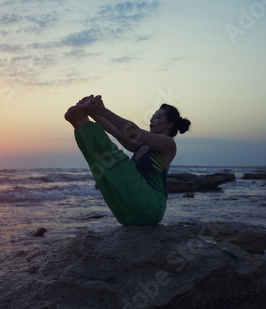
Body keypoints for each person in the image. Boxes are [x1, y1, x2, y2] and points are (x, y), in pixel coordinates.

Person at [64, 95, 191, 226]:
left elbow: (134, 131)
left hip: (152, 208)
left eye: (158, 117)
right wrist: (92, 112)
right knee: (100, 164)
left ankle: (81, 119)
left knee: (115, 160)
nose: (152, 119)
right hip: (131, 213)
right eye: (153, 115)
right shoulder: (141, 146)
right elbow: (116, 132)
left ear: (169, 125)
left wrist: (102, 110)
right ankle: (80, 122)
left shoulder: (169, 144)